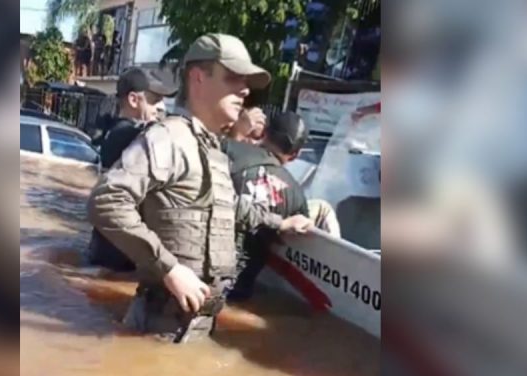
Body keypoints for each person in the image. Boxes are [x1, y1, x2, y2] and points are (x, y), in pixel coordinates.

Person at [87, 33, 313, 343]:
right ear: (198, 78)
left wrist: (282, 222)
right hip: (159, 328)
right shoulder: (169, 138)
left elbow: (230, 206)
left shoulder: (212, 149)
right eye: (233, 77)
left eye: (246, 81)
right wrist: (170, 270)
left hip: (193, 328)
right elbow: (107, 201)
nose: (245, 89)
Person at [224, 112, 340, 300]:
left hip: (196, 277)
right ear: (295, 155)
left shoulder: (227, 149)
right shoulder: (296, 195)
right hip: (239, 288)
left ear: (264, 134)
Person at [88, 67, 177, 272]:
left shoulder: (116, 130)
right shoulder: (128, 133)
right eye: (154, 100)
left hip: (110, 244)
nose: (161, 107)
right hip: (117, 252)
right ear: (134, 100)